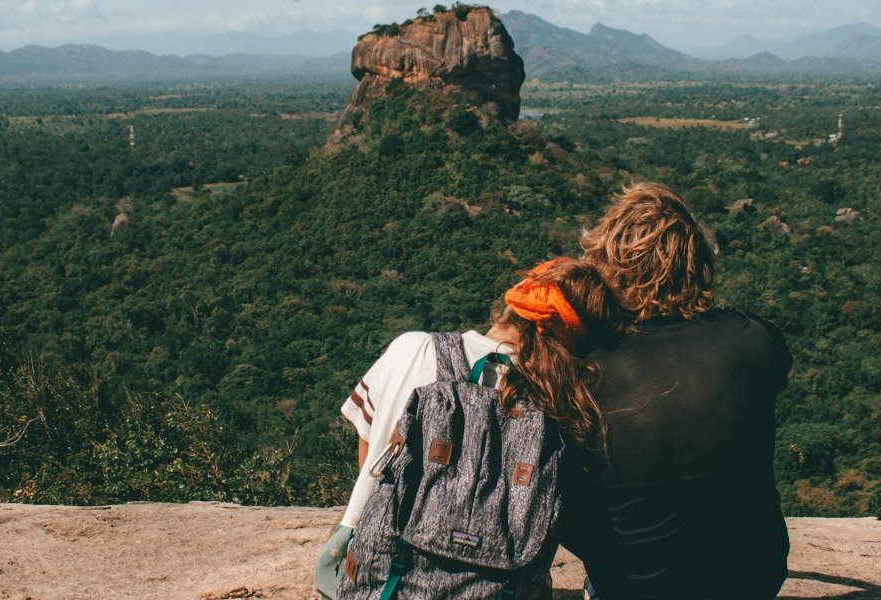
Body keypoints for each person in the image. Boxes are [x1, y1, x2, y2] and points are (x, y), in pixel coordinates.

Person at [315, 258, 628, 599]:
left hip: (382, 574)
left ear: (512, 305)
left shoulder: (413, 348)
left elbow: (370, 461)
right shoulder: (560, 403)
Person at [565, 182, 793, 599]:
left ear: (604, 264)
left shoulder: (585, 365)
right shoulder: (756, 340)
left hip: (632, 586)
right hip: (752, 577)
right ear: (698, 261)